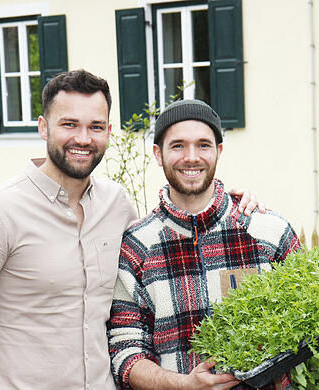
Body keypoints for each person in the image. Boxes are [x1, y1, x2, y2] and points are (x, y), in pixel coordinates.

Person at [0, 70, 263, 389]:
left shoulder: (116, 205)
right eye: (69, 124)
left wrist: (228, 203)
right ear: (44, 127)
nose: (83, 139)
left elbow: (166, 238)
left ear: (108, 131)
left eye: (95, 126)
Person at [107, 100, 301, 390]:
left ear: (218, 151)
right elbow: (126, 352)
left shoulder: (268, 231)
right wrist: (186, 385)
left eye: (203, 145)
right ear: (158, 155)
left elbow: (311, 319)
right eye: (177, 146)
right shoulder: (137, 247)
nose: (191, 157)